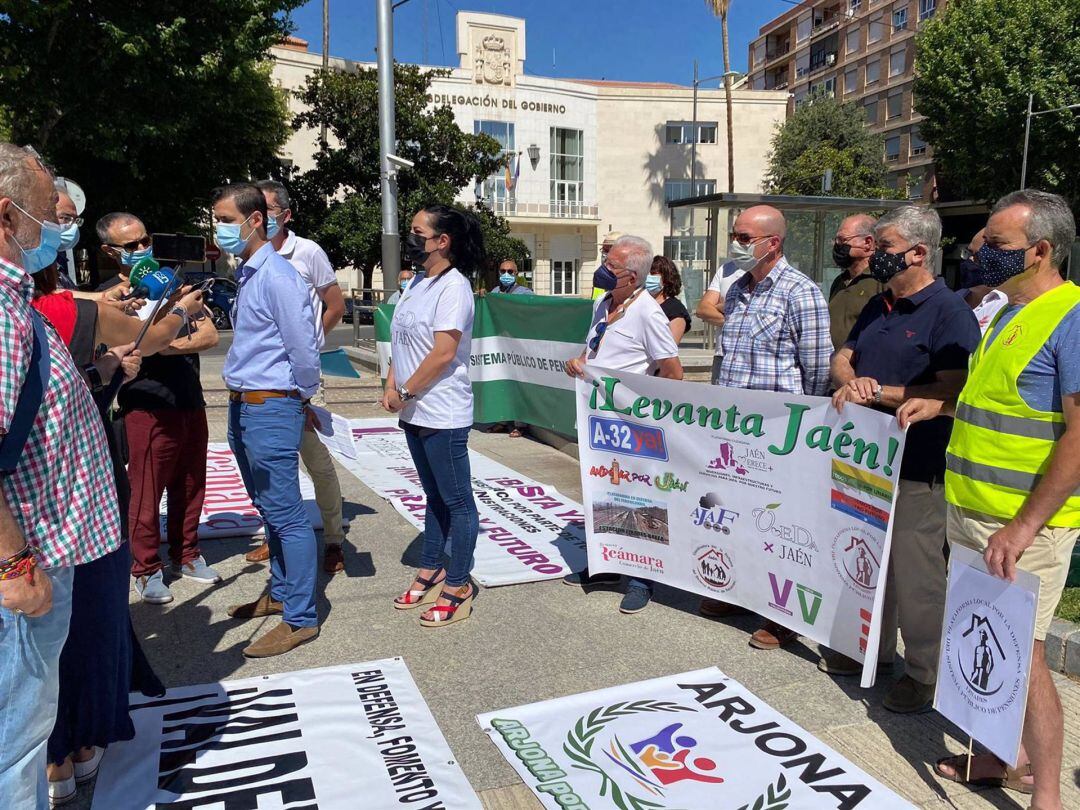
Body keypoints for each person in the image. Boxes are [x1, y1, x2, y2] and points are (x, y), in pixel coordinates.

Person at [901, 190, 1080, 810]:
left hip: (1022, 525)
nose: (983, 254)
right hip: (972, 512)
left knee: (1024, 657)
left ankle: (1047, 795)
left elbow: (1078, 435)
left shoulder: (1072, 317)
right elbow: (999, 403)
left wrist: (1025, 527)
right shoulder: (1005, 313)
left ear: (1041, 251)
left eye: (998, 246)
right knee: (985, 639)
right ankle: (999, 758)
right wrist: (941, 405)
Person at [0, 143, 123, 809]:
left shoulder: (15, 299)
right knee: (15, 741)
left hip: (41, 547)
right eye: (48, 214)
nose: (56, 229)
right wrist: (15, 564)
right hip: (25, 561)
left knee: (23, 724)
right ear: (5, 215)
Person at [826, 206, 980, 713]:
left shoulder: (949, 312)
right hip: (867, 462)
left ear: (917, 252)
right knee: (869, 560)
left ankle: (923, 672)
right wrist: (851, 377)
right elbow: (843, 354)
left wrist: (881, 392)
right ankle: (871, 650)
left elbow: (953, 389)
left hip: (919, 467)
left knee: (916, 576)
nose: (876, 253)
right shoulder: (878, 303)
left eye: (886, 246)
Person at [701, 205, 832, 649]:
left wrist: (796, 425)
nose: (735, 245)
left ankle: (783, 615)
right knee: (738, 514)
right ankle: (741, 592)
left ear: (772, 243)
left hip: (780, 437)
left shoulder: (801, 292)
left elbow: (816, 370)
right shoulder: (737, 290)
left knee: (781, 526)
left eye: (743, 237)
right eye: (735, 236)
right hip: (735, 434)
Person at [217, 182, 321, 658]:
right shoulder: (248, 273)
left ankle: (300, 618)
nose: (218, 228)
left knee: (286, 514)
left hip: (270, 404)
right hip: (245, 404)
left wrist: (298, 394)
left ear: (254, 220)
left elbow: (304, 346)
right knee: (268, 508)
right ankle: (279, 594)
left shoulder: (278, 276)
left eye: (224, 219)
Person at [96, 212, 221, 605]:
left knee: (191, 486)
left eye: (144, 240)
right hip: (146, 406)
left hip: (190, 399)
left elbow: (210, 334)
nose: (141, 250)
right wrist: (168, 338)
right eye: (130, 246)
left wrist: (167, 345)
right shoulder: (107, 298)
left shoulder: (177, 286)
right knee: (145, 493)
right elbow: (125, 348)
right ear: (110, 251)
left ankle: (186, 554)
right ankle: (145, 568)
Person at [564, 236, 683, 614]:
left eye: (610, 265)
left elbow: (672, 372)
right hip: (599, 419)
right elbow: (594, 350)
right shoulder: (603, 303)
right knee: (603, 492)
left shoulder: (647, 312)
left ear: (632, 277)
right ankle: (607, 564)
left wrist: (645, 407)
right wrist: (579, 361)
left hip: (634, 425)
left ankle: (641, 579)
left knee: (642, 498)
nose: (602, 268)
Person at [384, 205, 483, 628]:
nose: (410, 238)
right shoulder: (418, 283)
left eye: (417, 232)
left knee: (458, 501)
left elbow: (443, 353)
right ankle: (432, 567)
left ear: (442, 241)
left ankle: (458, 584)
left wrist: (406, 390)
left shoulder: (454, 288)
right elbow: (400, 341)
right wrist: (392, 385)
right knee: (433, 495)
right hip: (414, 408)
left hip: (442, 411)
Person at [246, 180, 347, 574]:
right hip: (263, 381)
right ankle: (275, 538)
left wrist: (309, 343)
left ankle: (334, 539)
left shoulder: (307, 252)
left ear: (285, 215)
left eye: (267, 209)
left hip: (300, 379)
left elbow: (334, 305)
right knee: (271, 466)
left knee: (316, 461)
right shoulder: (249, 255)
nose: (259, 216)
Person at [827, 214, 882, 350]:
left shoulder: (882, 282)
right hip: (833, 367)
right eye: (836, 240)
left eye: (842, 240)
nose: (837, 245)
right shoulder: (840, 281)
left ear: (868, 243)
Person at [696, 262, 746, 385]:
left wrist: (720, 307)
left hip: (752, 357)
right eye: (732, 240)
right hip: (722, 355)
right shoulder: (726, 269)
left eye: (744, 240)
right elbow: (703, 309)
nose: (736, 243)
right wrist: (738, 321)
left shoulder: (773, 274)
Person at [957, 228, 1008, 334]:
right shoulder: (954, 298)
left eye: (978, 258)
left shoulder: (1006, 307)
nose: (970, 260)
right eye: (968, 253)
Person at [647, 255, 692, 346]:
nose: (648, 277)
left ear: (666, 278)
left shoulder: (675, 309)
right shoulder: (640, 302)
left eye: (653, 273)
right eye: (646, 273)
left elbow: (670, 348)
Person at [592, 230, 624, 300]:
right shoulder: (601, 274)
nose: (604, 254)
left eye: (606, 250)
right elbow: (596, 300)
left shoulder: (636, 271)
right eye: (603, 250)